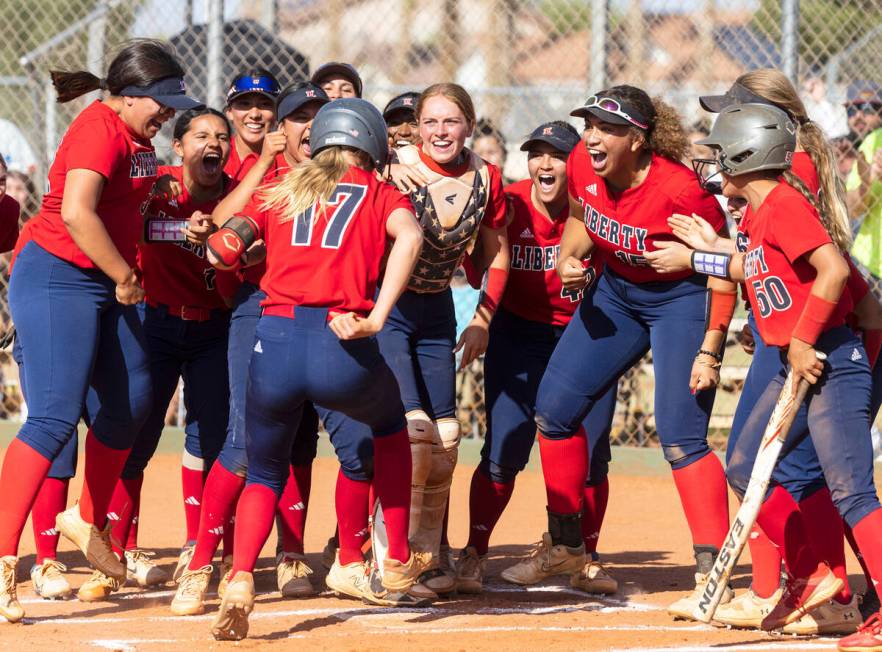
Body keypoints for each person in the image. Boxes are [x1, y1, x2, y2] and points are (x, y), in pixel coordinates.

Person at [502, 85, 733, 619]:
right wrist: (567, 259)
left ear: (639, 137)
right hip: (616, 293)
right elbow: (583, 218)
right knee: (554, 412)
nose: (591, 137)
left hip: (678, 301)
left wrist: (711, 349)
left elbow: (726, 274)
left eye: (606, 127)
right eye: (589, 124)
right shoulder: (584, 161)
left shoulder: (681, 191)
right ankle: (566, 547)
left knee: (681, 435)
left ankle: (714, 573)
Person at [204, 98, 426, 641]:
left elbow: (219, 251)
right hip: (339, 338)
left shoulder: (283, 186)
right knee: (392, 429)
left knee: (263, 471)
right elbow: (412, 237)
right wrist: (376, 317)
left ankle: (238, 579)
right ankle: (395, 554)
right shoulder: (379, 191)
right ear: (371, 144)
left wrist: (255, 248)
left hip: (274, 339)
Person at [0, 38, 202, 623]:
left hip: (104, 279)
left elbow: (122, 195)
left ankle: (87, 524)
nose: (169, 111)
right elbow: (76, 213)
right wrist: (126, 277)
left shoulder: (137, 137)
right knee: (55, 417)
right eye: (162, 101)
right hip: (58, 275)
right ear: (131, 95)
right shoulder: (98, 127)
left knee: (132, 400)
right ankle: (6, 562)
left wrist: (155, 188)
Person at [675, 102, 882, 652]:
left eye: (723, 155)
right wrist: (701, 258)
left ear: (747, 153)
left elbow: (833, 270)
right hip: (796, 359)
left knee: (851, 490)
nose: (716, 165)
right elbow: (758, 269)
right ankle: (813, 571)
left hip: (831, 360)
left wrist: (804, 338)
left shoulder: (786, 204)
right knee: (742, 465)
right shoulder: (758, 213)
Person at [169, 81, 332, 617]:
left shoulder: (343, 175)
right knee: (242, 439)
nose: (308, 125)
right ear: (280, 128)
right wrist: (266, 164)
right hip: (258, 305)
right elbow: (219, 228)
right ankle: (201, 564)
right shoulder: (256, 173)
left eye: (318, 115)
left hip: (320, 311)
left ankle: (291, 554)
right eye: (297, 116)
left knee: (300, 439)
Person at [73, 108, 238, 602]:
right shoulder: (157, 187)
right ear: (179, 147)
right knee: (135, 436)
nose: (213, 144)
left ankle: (198, 549)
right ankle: (113, 554)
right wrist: (167, 220)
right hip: (156, 322)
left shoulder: (236, 195)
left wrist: (216, 234)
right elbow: (117, 222)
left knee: (211, 438)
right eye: (201, 136)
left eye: (221, 137)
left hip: (214, 328)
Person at [454, 121, 617, 595]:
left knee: (591, 455)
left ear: (578, 164)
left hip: (584, 336)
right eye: (536, 153)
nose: (545, 164)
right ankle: (474, 551)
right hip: (519, 333)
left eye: (557, 155)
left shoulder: (595, 204)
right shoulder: (513, 201)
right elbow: (480, 267)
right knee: (503, 451)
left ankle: (583, 556)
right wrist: (473, 241)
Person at [384, 83, 510, 596]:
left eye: (450, 122)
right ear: (417, 125)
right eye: (430, 122)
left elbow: (496, 253)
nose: (439, 132)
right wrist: (385, 167)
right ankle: (391, 558)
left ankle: (430, 554)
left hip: (437, 308)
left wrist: (481, 318)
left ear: (469, 125)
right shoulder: (392, 165)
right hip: (388, 308)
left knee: (445, 440)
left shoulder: (486, 177)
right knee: (411, 435)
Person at [224, 70, 281, 182]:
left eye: (265, 104)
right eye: (245, 104)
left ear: (277, 113)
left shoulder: (288, 158)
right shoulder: (217, 154)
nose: (254, 115)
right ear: (229, 112)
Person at [472, 117, 514, 185]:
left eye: (491, 152)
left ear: (504, 155)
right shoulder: (466, 190)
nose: (485, 159)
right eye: (479, 154)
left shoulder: (516, 189)